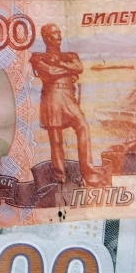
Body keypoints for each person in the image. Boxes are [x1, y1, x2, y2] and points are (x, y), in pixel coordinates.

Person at [29, 23, 108, 187]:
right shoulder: (37, 57)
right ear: (46, 38)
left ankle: (89, 171)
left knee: (83, 126)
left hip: (68, 96)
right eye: (54, 33)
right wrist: (68, 69)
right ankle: (60, 177)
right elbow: (50, 72)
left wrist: (61, 64)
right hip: (52, 97)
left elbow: (79, 67)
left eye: (59, 32)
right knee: (56, 139)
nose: (58, 36)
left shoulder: (71, 55)